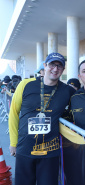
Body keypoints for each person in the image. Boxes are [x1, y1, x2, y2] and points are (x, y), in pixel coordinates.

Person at [8, 52, 76, 185]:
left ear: (63, 70)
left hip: (50, 151)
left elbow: (82, 102)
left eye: (59, 66)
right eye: (52, 64)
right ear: (45, 66)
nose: (55, 69)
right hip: (25, 148)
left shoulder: (67, 91)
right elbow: (14, 113)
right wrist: (13, 142)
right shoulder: (25, 84)